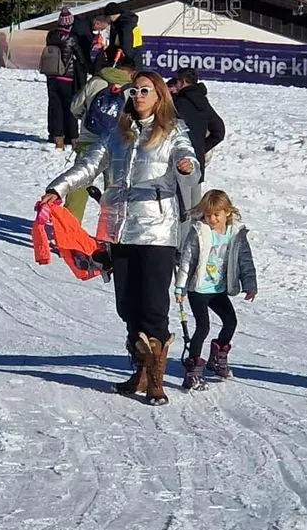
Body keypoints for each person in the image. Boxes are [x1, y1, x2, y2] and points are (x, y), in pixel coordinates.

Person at [39, 72, 199, 406]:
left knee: (154, 306)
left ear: (158, 96)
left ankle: (156, 380)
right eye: (134, 90)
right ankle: (138, 371)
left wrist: (187, 164)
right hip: (118, 228)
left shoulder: (172, 131)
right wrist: (58, 188)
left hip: (156, 228)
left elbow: (188, 155)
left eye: (145, 90)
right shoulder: (117, 134)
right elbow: (89, 165)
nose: (138, 95)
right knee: (127, 305)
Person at [173, 190, 257, 390]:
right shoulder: (199, 231)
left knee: (231, 321)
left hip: (219, 289)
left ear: (227, 213)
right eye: (208, 215)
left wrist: (250, 284)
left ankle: (217, 358)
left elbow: (245, 259)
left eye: (216, 215)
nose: (211, 219)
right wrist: (180, 286)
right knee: (203, 327)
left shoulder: (236, 233)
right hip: (199, 289)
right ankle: (192, 371)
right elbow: (187, 259)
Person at [65, 50, 136, 222]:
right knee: (114, 189)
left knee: (78, 186)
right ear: (132, 73)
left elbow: (75, 107)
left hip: (89, 142)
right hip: (117, 145)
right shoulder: (133, 90)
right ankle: (112, 230)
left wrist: (86, 117)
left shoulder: (96, 81)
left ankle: (68, 228)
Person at [170, 67, 225, 237]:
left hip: (181, 163)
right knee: (195, 210)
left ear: (182, 82)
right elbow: (219, 131)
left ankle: (181, 252)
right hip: (197, 163)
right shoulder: (203, 102)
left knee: (182, 211)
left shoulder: (177, 104)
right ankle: (194, 247)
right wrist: (200, 149)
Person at [40, 7, 87, 150]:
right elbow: (80, 57)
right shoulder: (71, 38)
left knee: (55, 107)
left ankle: (57, 138)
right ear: (70, 23)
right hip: (67, 78)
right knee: (70, 108)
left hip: (52, 76)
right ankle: (72, 137)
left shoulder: (50, 35)